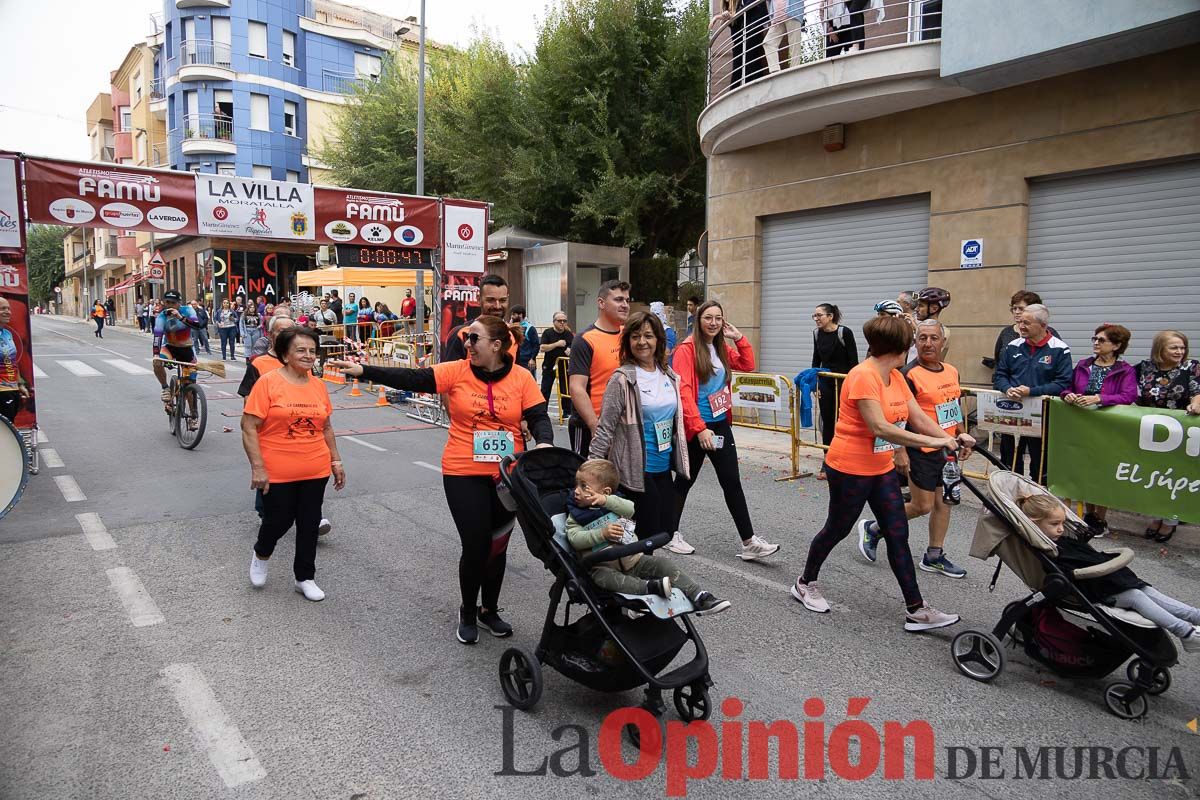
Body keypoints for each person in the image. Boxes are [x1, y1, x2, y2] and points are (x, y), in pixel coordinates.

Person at [329, 315, 554, 644]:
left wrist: (544, 443)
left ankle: (489, 610)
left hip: (507, 474)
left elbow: (537, 416)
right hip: (463, 470)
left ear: (496, 344)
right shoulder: (457, 371)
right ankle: (467, 609)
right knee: (476, 544)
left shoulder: (521, 378)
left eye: (474, 339)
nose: (467, 344)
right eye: (467, 338)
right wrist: (365, 371)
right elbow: (412, 377)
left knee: (498, 546)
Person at [792, 315, 971, 632]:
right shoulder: (863, 376)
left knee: (897, 532)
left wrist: (951, 437)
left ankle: (916, 609)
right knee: (838, 528)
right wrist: (934, 441)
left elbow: (917, 417)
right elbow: (880, 427)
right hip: (849, 468)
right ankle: (805, 582)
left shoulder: (897, 377)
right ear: (902, 348)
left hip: (881, 467)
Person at [1020, 494, 1200, 654]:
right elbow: (1073, 575)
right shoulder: (1050, 552)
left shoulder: (1064, 540)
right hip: (1093, 590)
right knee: (1136, 596)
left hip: (1109, 582)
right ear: (1034, 524)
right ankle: (1184, 631)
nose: (1061, 528)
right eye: (1054, 524)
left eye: (1062, 523)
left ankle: (1194, 615)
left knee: (1146, 590)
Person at [242, 327, 346, 602]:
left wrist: (335, 459)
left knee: (310, 523)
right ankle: (262, 553)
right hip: (277, 469)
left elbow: (326, 427)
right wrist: (258, 467)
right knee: (278, 520)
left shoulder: (318, 385)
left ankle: (305, 577)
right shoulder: (267, 383)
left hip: (315, 467)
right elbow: (249, 426)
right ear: (286, 354)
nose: (308, 356)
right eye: (301, 350)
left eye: (312, 351)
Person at [670, 300, 780, 560]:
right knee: (685, 481)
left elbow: (747, 364)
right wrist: (699, 429)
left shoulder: (720, 347)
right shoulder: (686, 350)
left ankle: (749, 542)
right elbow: (683, 391)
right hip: (697, 427)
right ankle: (669, 532)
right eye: (708, 318)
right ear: (698, 320)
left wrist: (739, 338)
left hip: (720, 424)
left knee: (732, 482)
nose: (714, 323)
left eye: (718, 318)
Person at [858, 320, 966, 578]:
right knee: (922, 506)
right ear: (915, 343)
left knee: (946, 501)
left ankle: (934, 555)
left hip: (946, 447)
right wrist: (899, 450)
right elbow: (896, 415)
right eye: (922, 338)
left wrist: (961, 434)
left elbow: (952, 405)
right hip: (920, 448)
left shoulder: (951, 370)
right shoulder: (907, 373)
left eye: (934, 338)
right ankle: (874, 528)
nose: (928, 343)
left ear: (943, 341)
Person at [567, 459, 730, 614]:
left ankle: (698, 595)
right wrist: (601, 534)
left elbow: (630, 509)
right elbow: (575, 539)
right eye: (576, 485)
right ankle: (649, 588)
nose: (576, 491)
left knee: (663, 564)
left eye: (583, 486)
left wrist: (605, 501)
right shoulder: (576, 515)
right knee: (605, 578)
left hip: (633, 560)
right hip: (603, 566)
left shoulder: (614, 504)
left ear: (605, 492)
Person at [589, 311, 688, 546]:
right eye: (635, 337)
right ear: (627, 342)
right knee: (646, 536)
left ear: (659, 341)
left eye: (648, 336)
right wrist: (591, 472)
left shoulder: (669, 376)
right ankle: (637, 580)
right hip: (634, 471)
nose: (642, 342)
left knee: (664, 530)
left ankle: (638, 576)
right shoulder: (622, 379)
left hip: (663, 467)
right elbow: (605, 428)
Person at [1060, 323, 1137, 537]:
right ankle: (1087, 514)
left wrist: (1100, 398)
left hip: (1107, 429)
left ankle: (1099, 518)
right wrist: (1068, 395)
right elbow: (1067, 386)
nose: (1096, 343)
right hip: (1081, 426)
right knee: (1083, 469)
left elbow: (1128, 396)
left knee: (1101, 472)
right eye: (1094, 339)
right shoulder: (1084, 364)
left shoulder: (1125, 369)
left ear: (1116, 345)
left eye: (1101, 340)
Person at [992, 303, 1072, 483]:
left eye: (1027, 323)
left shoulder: (1060, 349)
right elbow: (1000, 375)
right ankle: (1008, 498)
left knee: (1040, 462)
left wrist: (1032, 391)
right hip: (1012, 413)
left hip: (1042, 416)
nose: (1021, 326)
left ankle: (1037, 500)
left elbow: (1063, 383)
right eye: (1020, 322)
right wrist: (1007, 388)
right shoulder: (1013, 345)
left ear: (1043, 325)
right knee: (1010, 460)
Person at [1135, 330, 1200, 543]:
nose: (1179, 351)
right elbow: (1126, 387)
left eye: (1182, 347)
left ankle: (1170, 520)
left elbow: (1197, 392)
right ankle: (1155, 515)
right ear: (1160, 349)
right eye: (1174, 347)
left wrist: (1196, 404)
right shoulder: (1145, 367)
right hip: (1149, 432)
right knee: (1153, 476)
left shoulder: (1191, 367)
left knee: (1174, 476)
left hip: (1180, 433)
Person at [568, 280, 630, 457]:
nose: (625, 305)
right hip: (592, 426)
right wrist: (595, 426)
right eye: (618, 300)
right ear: (601, 303)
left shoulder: (629, 336)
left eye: (627, 300)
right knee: (589, 479)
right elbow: (576, 387)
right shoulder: (585, 339)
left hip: (624, 423)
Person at [811, 302, 859, 480]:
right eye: (814, 316)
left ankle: (846, 459)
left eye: (819, 315)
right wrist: (815, 383)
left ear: (830, 316)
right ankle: (827, 462)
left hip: (844, 383)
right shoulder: (816, 334)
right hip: (825, 382)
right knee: (828, 422)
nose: (816, 319)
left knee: (844, 422)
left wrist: (854, 385)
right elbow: (816, 361)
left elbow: (853, 362)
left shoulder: (844, 332)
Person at [442, 275, 513, 361]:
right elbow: (450, 373)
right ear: (479, 299)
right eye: (490, 300)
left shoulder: (514, 335)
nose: (497, 306)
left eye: (502, 300)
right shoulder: (461, 334)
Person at [151, 290, 204, 405]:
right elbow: (157, 337)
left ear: (179, 303)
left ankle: (193, 415)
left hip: (187, 349)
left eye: (173, 303)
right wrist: (155, 354)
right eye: (167, 302)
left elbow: (197, 326)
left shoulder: (188, 310)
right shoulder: (161, 316)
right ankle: (165, 388)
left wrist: (180, 317)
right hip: (170, 348)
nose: (170, 305)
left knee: (189, 385)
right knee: (156, 362)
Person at [0, 297, 30, 422]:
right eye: (2, 308)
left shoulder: (7, 334)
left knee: (8, 431)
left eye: (8, 308)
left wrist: (19, 384)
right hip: (1, 391)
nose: (8, 312)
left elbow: (12, 363)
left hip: (11, 390)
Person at [539, 311, 573, 411]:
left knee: (565, 389)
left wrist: (570, 350)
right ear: (554, 322)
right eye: (559, 321)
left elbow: (573, 346)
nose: (562, 323)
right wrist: (556, 344)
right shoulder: (548, 333)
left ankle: (566, 411)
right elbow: (542, 348)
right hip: (549, 365)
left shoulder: (568, 334)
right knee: (545, 389)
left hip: (564, 366)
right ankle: (542, 411)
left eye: (564, 321)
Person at [765, 0, 806, 74]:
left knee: (794, 44)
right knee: (768, 42)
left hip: (793, 12)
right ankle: (775, 70)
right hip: (777, 16)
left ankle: (795, 70)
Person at [509, 306, 539, 376]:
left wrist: (532, 358)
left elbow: (536, 345)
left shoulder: (529, 328)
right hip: (514, 361)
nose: (512, 317)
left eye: (514, 314)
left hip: (526, 362)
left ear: (520, 315)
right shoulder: (510, 327)